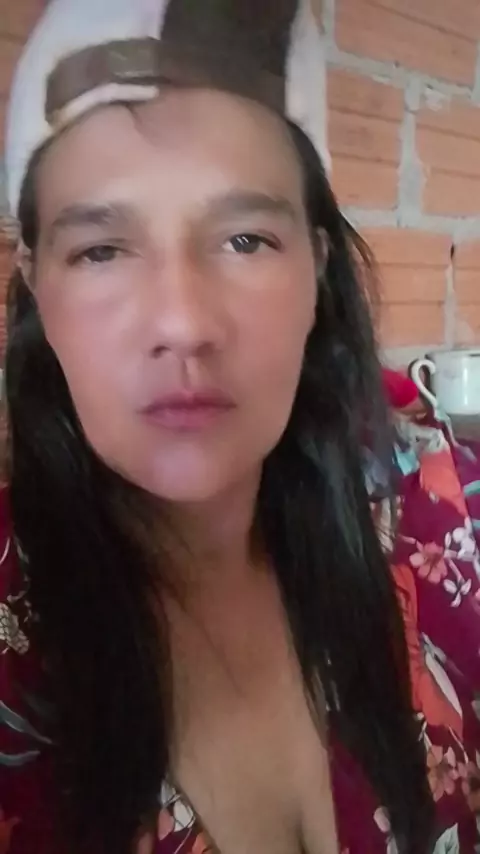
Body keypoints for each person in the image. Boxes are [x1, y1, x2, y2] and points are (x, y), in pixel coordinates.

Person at [1, 0, 480, 852]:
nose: (183, 323)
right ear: (36, 282)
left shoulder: (435, 504)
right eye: (101, 250)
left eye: (246, 240)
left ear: (318, 267)